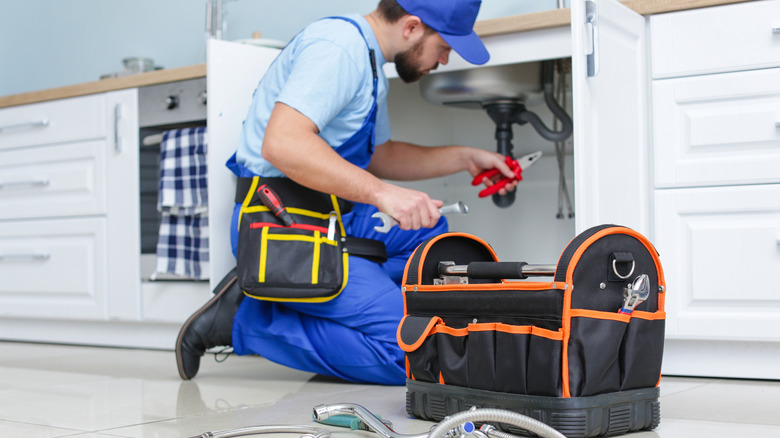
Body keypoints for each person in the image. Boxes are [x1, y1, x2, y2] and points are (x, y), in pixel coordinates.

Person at [176, 0, 519, 385]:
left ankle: (349, 302)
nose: (444, 58)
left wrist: (465, 157)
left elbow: (380, 156)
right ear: (411, 28)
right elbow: (283, 144)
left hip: (333, 213)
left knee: (429, 236)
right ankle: (244, 320)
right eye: (444, 45)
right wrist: (383, 195)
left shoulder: (368, 59)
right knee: (412, 355)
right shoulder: (339, 48)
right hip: (283, 222)